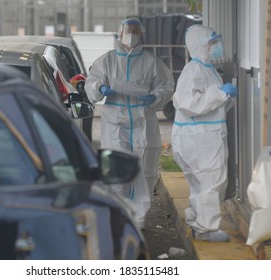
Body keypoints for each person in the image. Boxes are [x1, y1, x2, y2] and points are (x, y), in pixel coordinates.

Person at [85, 17, 175, 230]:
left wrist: (155, 97)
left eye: (135, 31)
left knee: (145, 169)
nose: (131, 35)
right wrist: (100, 88)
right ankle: (119, 215)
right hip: (114, 121)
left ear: (141, 34)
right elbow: (92, 83)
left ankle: (139, 218)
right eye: (128, 30)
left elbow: (166, 85)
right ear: (119, 33)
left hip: (143, 118)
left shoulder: (150, 61)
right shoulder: (107, 60)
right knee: (117, 169)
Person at [171, 24, 238, 242]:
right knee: (210, 182)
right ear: (200, 46)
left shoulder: (206, 69)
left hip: (203, 135)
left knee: (201, 183)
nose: (216, 46)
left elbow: (212, 106)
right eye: (212, 42)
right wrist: (220, 93)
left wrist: (225, 96)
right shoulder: (194, 70)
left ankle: (198, 222)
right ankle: (207, 229)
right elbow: (187, 103)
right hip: (200, 138)